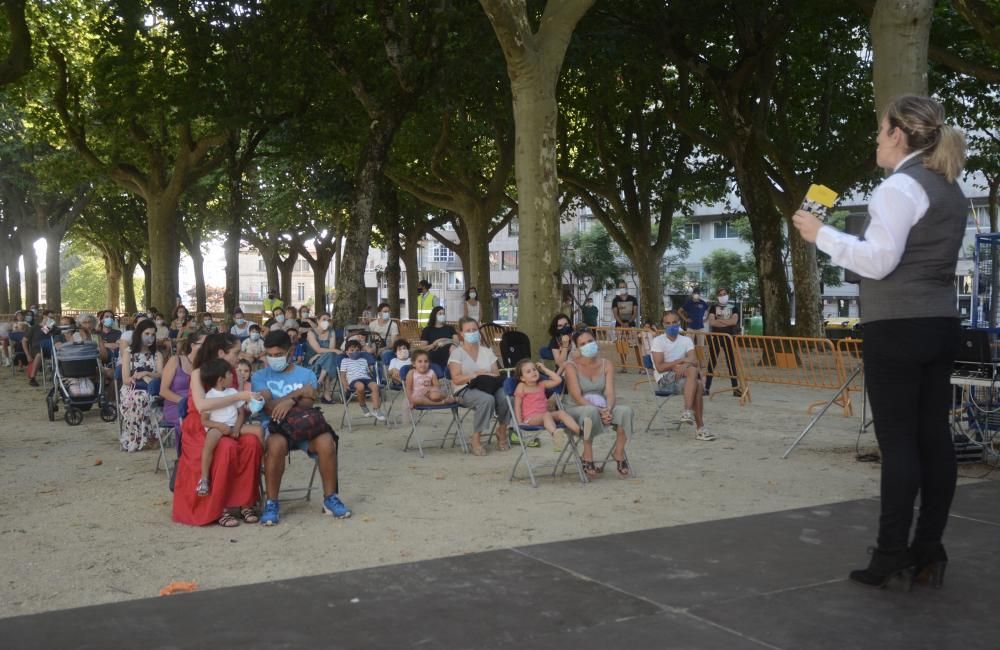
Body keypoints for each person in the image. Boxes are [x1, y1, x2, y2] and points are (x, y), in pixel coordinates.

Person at [792, 95, 967, 589]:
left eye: (878, 130)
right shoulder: (948, 186)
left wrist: (820, 234)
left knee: (899, 444)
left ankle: (890, 553)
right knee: (934, 438)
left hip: (897, 326)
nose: (875, 139)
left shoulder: (897, 188)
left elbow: (878, 262)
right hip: (940, 322)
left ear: (897, 133)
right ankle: (928, 550)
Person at [253, 329, 351, 526]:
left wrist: (289, 401)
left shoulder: (306, 373)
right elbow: (271, 408)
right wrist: (298, 394)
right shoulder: (259, 376)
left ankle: (330, 498)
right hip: (276, 427)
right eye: (270, 355)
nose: (274, 359)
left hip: (305, 425)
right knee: (275, 446)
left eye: (278, 355)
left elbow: (308, 403)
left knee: (326, 442)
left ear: (290, 352)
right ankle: (272, 502)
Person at [173, 333, 263, 527]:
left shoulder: (234, 372)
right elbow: (201, 405)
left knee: (252, 443)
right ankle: (219, 506)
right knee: (226, 447)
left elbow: (239, 406)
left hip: (231, 422)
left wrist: (251, 403)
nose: (239, 357)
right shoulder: (199, 373)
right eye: (236, 352)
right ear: (221, 352)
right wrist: (239, 396)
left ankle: (245, 502)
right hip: (203, 425)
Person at [563, 328, 633, 477]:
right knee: (590, 411)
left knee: (625, 411)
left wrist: (608, 408)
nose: (587, 345)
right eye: (582, 344)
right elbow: (576, 396)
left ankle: (619, 453)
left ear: (596, 341)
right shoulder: (571, 366)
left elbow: (609, 392)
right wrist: (599, 411)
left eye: (590, 341)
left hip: (601, 405)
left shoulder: (606, 364)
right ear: (577, 348)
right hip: (576, 408)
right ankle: (587, 454)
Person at [196, 358, 263, 497]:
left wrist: (237, 428)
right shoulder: (209, 396)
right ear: (221, 380)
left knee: (259, 430)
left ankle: (262, 462)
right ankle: (204, 479)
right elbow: (204, 421)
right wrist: (219, 426)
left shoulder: (232, 391)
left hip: (234, 424)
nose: (233, 375)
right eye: (229, 374)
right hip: (217, 427)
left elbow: (241, 413)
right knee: (209, 444)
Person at [449, 316, 510, 456]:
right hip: (465, 389)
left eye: (474, 330)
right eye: (468, 330)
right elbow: (456, 379)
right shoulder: (457, 353)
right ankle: (476, 438)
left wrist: (485, 374)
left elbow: (495, 373)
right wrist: (474, 375)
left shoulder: (486, 351)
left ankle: (502, 430)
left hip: (488, 385)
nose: (472, 332)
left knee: (507, 396)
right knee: (486, 400)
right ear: (461, 334)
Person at [651, 310, 713, 441]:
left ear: (679, 323)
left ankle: (688, 413)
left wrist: (685, 366)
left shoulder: (686, 340)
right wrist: (680, 362)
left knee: (695, 379)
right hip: (665, 380)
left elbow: (694, 360)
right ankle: (699, 426)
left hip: (685, 377)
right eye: (668, 323)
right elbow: (660, 367)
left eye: (674, 322)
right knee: (696, 381)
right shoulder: (658, 341)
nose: (671, 325)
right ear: (663, 324)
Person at [513, 359, 581, 449]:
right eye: (528, 371)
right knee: (546, 415)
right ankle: (555, 434)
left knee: (561, 413)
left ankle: (580, 431)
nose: (533, 372)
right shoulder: (522, 386)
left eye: (534, 369)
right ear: (522, 378)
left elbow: (558, 380)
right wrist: (519, 422)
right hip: (530, 419)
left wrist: (544, 369)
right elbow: (517, 405)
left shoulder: (542, 384)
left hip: (545, 416)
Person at [119, 319, 165, 451]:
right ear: (139, 334)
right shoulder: (128, 352)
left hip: (152, 387)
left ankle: (150, 437)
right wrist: (137, 378)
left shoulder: (157, 354)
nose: (150, 337)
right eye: (147, 333)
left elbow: (161, 375)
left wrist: (146, 373)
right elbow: (125, 379)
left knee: (149, 397)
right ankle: (137, 438)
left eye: (153, 334)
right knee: (141, 398)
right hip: (131, 388)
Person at [161, 332, 204, 433]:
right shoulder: (176, 360)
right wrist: (185, 402)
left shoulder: (206, 365)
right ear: (193, 345)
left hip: (198, 406)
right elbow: (163, 391)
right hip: (176, 405)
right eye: (204, 344)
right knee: (196, 422)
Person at [705, 287, 742, 397]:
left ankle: (735, 389)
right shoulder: (713, 308)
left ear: (728, 294)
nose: (723, 296)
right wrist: (727, 322)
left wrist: (719, 321)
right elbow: (712, 322)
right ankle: (706, 388)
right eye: (720, 294)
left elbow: (734, 321)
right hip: (716, 337)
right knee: (711, 362)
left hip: (729, 337)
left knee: (731, 363)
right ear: (717, 296)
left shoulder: (734, 308)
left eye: (724, 293)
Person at [340, 339, 386, 420]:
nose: (355, 352)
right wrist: (344, 384)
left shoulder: (363, 360)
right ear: (347, 352)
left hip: (365, 378)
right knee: (360, 387)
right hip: (354, 380)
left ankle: (376, 409)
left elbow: (367, 373)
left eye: (357, 350)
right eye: (352, 350)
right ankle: (363, 405)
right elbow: (342, 375)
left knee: (375, 386)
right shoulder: (345, 361)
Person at [305, 312, 341, 403]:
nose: (326, 322)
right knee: (330, 357)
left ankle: (319, 382)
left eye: (328, 320)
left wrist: (320, 354)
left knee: (330, 357)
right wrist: (318, 354)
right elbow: (318, 349)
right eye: (324, 319)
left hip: (325, 360)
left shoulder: (331, 332)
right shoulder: (311, 333)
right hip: (312, 362)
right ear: (317, 321)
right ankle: (326, 395)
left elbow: (331, 349)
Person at [611, 281, 640, 370]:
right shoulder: (615, 300)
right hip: (619, 326)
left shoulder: (633, 299)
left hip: (631, 325)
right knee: (622, 346)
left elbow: (635, 312)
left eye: (623, 286)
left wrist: (628, 322)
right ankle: (624, 366)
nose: (622, 288)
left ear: (627, 287)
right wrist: (622, 323)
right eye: (620, 287)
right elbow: (615, 314)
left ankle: (640, 366)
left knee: (636, 345)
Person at [419, 306, 458, 370]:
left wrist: (445, 340)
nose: (442, 315)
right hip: (433, 361)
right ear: (434, 315)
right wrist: (434, 344)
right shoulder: (427, 330)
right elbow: (422, 348)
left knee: (453, 347)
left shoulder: (450, 328)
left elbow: (457, 342)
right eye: (440, 314)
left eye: (443, 314)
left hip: (449, 361)